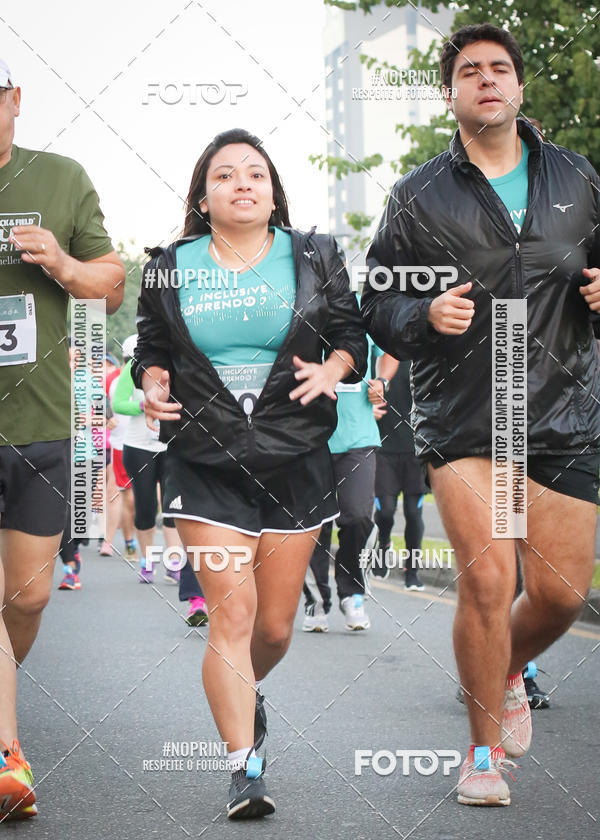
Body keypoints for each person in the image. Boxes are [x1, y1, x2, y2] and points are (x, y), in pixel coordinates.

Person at [361, 24, 600, 807]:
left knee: (561, 595)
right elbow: (376, 300)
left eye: (500, 68)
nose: (487, 79)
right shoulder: (418, 194)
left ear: (520, 87)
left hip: (563, 410)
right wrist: (423, 314)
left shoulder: (577, 176)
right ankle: (483, 754)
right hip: (465, 415)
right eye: (470, 71)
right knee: (490, 582)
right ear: (450, 94)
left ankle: (505, 669)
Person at [132, 127, 367, 819]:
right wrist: (151, 380)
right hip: (204, 454)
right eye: (225, 175)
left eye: (255, 174)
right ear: (203, 198)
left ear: (273, 192)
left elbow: (350, 334)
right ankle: (243, 768)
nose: (242, 183)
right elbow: (151, 345)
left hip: (295, 452)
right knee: (232, 615)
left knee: (273, 628)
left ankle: (244, 693)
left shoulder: (315, 255)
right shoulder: (169, 265)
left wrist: (333, 369)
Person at [0, 60, 124, 818]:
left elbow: (110, 283)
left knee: (28, 595)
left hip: (43, 424)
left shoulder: (60, 177)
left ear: (14, 99)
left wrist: (66, 264)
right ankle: (5, 752)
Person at [302, 329, 380, 632]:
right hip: (310, 439)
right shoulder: (303, 312)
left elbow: (390, 352)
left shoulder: (364, 314)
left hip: (358, 436)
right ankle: (316, 601)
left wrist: (382, 381)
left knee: (358, 516)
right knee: (313, 525)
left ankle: (353, 593)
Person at [111, 335, 181, 584]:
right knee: (146, 508)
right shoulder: (133, 367)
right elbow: (118, 403)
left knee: (173, 507)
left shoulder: (178, 363)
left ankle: (174, 564)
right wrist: (143, 406)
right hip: (139, 447)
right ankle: (147, 562)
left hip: (171, 447)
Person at [368, 352, 427, 590]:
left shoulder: (422, 357)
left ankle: (412, 572)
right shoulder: (378, 357)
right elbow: (360, 394)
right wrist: (367, 410)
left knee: (413, 513)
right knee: (385, 512)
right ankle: (383, 547)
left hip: (416, 451)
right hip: (384, 449)